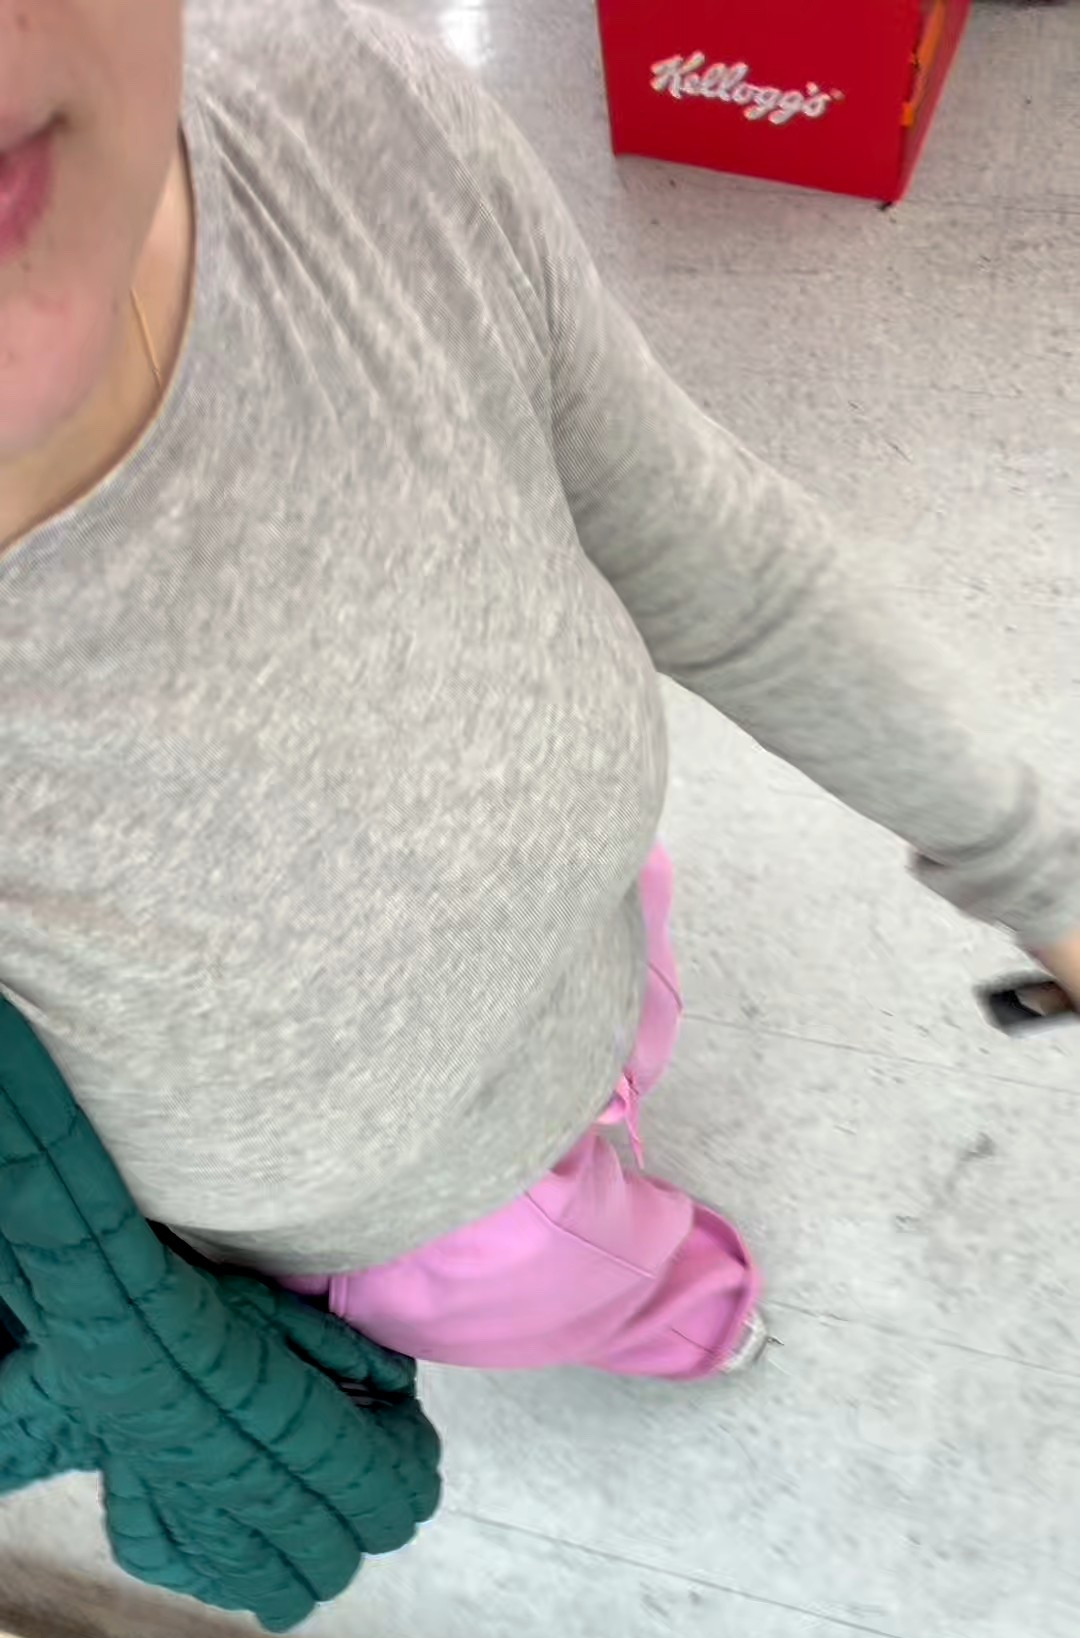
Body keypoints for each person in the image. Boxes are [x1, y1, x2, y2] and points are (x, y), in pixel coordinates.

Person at [2, 0, 1078, 1382]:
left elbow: (729, 566)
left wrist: (1045, 875)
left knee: (624, 1060)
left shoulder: (336, 108)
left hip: (604, 939)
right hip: (425, 1230)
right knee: (626, 1284)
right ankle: (695, 1319)